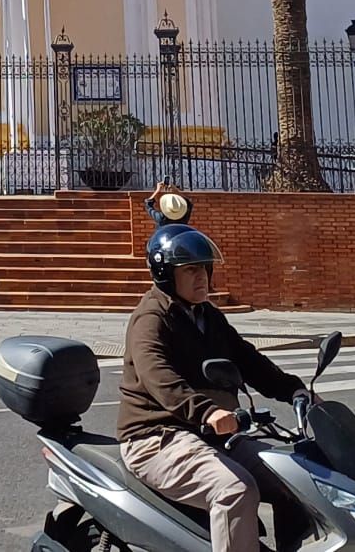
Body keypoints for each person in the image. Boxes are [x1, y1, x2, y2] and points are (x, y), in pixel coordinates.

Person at [119, 223, 310, 552]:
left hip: (209, 436)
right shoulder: (151, 318)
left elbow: (248, 360)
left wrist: (296, 391)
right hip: (156, 438)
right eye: (191, 270)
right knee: (235, 489)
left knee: (296, 481)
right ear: (166, 273)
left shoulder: (207, 315)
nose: (202, 278)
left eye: (205, 269)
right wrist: (207, 411)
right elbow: (158, 376)